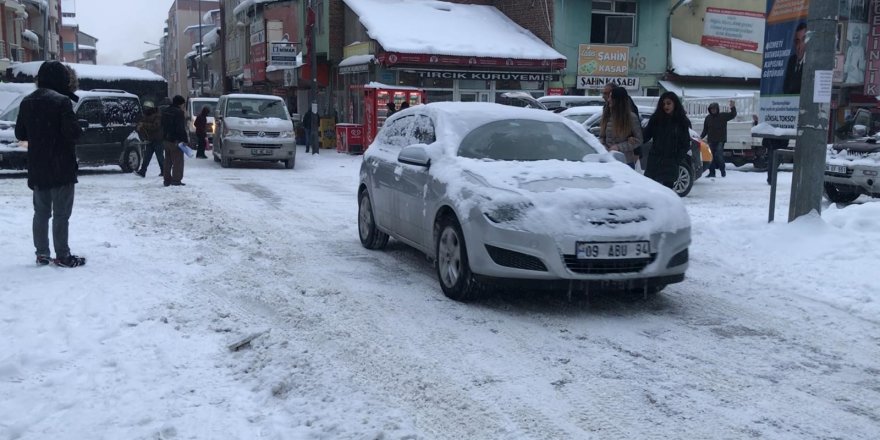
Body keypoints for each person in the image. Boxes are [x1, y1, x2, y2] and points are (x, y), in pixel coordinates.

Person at [14, 60, 85, 267]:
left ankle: (42, 254)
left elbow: (20, 133)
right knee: (61, 214)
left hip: (38, 166)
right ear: (62, 79)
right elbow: (72, 133)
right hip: (61, 165)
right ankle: (62, 255)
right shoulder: (62, 101)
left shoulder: (27, 101)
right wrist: (78, 126)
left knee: (41, 213)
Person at [642, 92, 692, 189]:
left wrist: (677, 159)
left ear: (675, 104)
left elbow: (685, 143)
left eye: (668, 103)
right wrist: (634, 140)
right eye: (663, 104)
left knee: (667, 193)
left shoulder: (681, 121)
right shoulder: (656, 119)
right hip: (655, 161)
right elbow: (646, 136)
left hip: (671, 163)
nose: (666, 106)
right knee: (651, 191)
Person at [599, 87, 643, 168]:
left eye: (611, 97)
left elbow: (639, 140)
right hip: (608, 161)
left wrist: (618, 147)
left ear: (618, 100)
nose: (608, 100)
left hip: (625, 162)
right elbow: (602, 137)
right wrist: (603, 146)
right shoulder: (607, 115)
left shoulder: (631, 117)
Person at [700, 99, 737, 177]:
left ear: (717, 109)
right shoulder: (708, 118)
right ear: (710, 110)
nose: (713, 110)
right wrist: (700, 137)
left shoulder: (723, 116)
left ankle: (723, 171)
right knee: (710, 157)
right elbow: (705, 130)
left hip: (720, 140)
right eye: (711, 109)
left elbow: (733, 115)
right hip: (711, 140)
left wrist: (733, 107)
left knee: (719, 156)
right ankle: (712, 173)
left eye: (714, 109)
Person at [162, 95, 188, 187]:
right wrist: (184, 140)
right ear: (180, 103)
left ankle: (167, 179)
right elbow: (180, 128)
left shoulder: (165, 111)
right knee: (178, 161)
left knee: (167, 161)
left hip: (166, 139)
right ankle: (176, 180)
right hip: (176, 140)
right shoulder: (179, 113)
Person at [135, 103, 164, 177]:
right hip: (150, 139)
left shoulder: (158, 116)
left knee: (160, 157)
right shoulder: (146, 115)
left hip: (158, 140)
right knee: (147, 157)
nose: (145, 109)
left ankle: (164, 171)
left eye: (146, 107)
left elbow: (156, 126)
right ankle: (142, 171)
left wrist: (143, 125)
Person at [783, 23, 807, 95]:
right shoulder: (792, 60)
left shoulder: (810, 63)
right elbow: (785, 87)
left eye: (803, 40)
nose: (799, 46)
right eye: (797, 42)